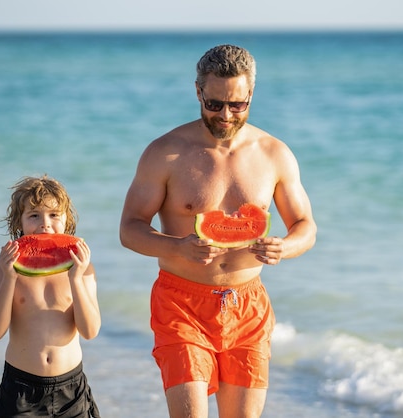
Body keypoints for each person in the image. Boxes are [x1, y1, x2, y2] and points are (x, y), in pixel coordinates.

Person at [119, 44, 317, 418]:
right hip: (180, 304)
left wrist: (284, 247)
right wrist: (178, 246)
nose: (225, 115)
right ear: (198, 92)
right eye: (214, 104)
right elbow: (129, 229)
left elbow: (305, 226)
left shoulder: (274, 153)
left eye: (237, 105)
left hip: (248, 306)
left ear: (251, 95)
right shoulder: (165, 153)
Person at [0, 175, 102, 418]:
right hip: (21, 389)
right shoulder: (4, 268)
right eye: (34, 215)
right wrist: (9, 277)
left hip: (71, 389)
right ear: (20, 222)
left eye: (54, 215)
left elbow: (90, 331)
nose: (45, 224)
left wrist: (76, 279)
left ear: (67, 219)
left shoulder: (82, 268)